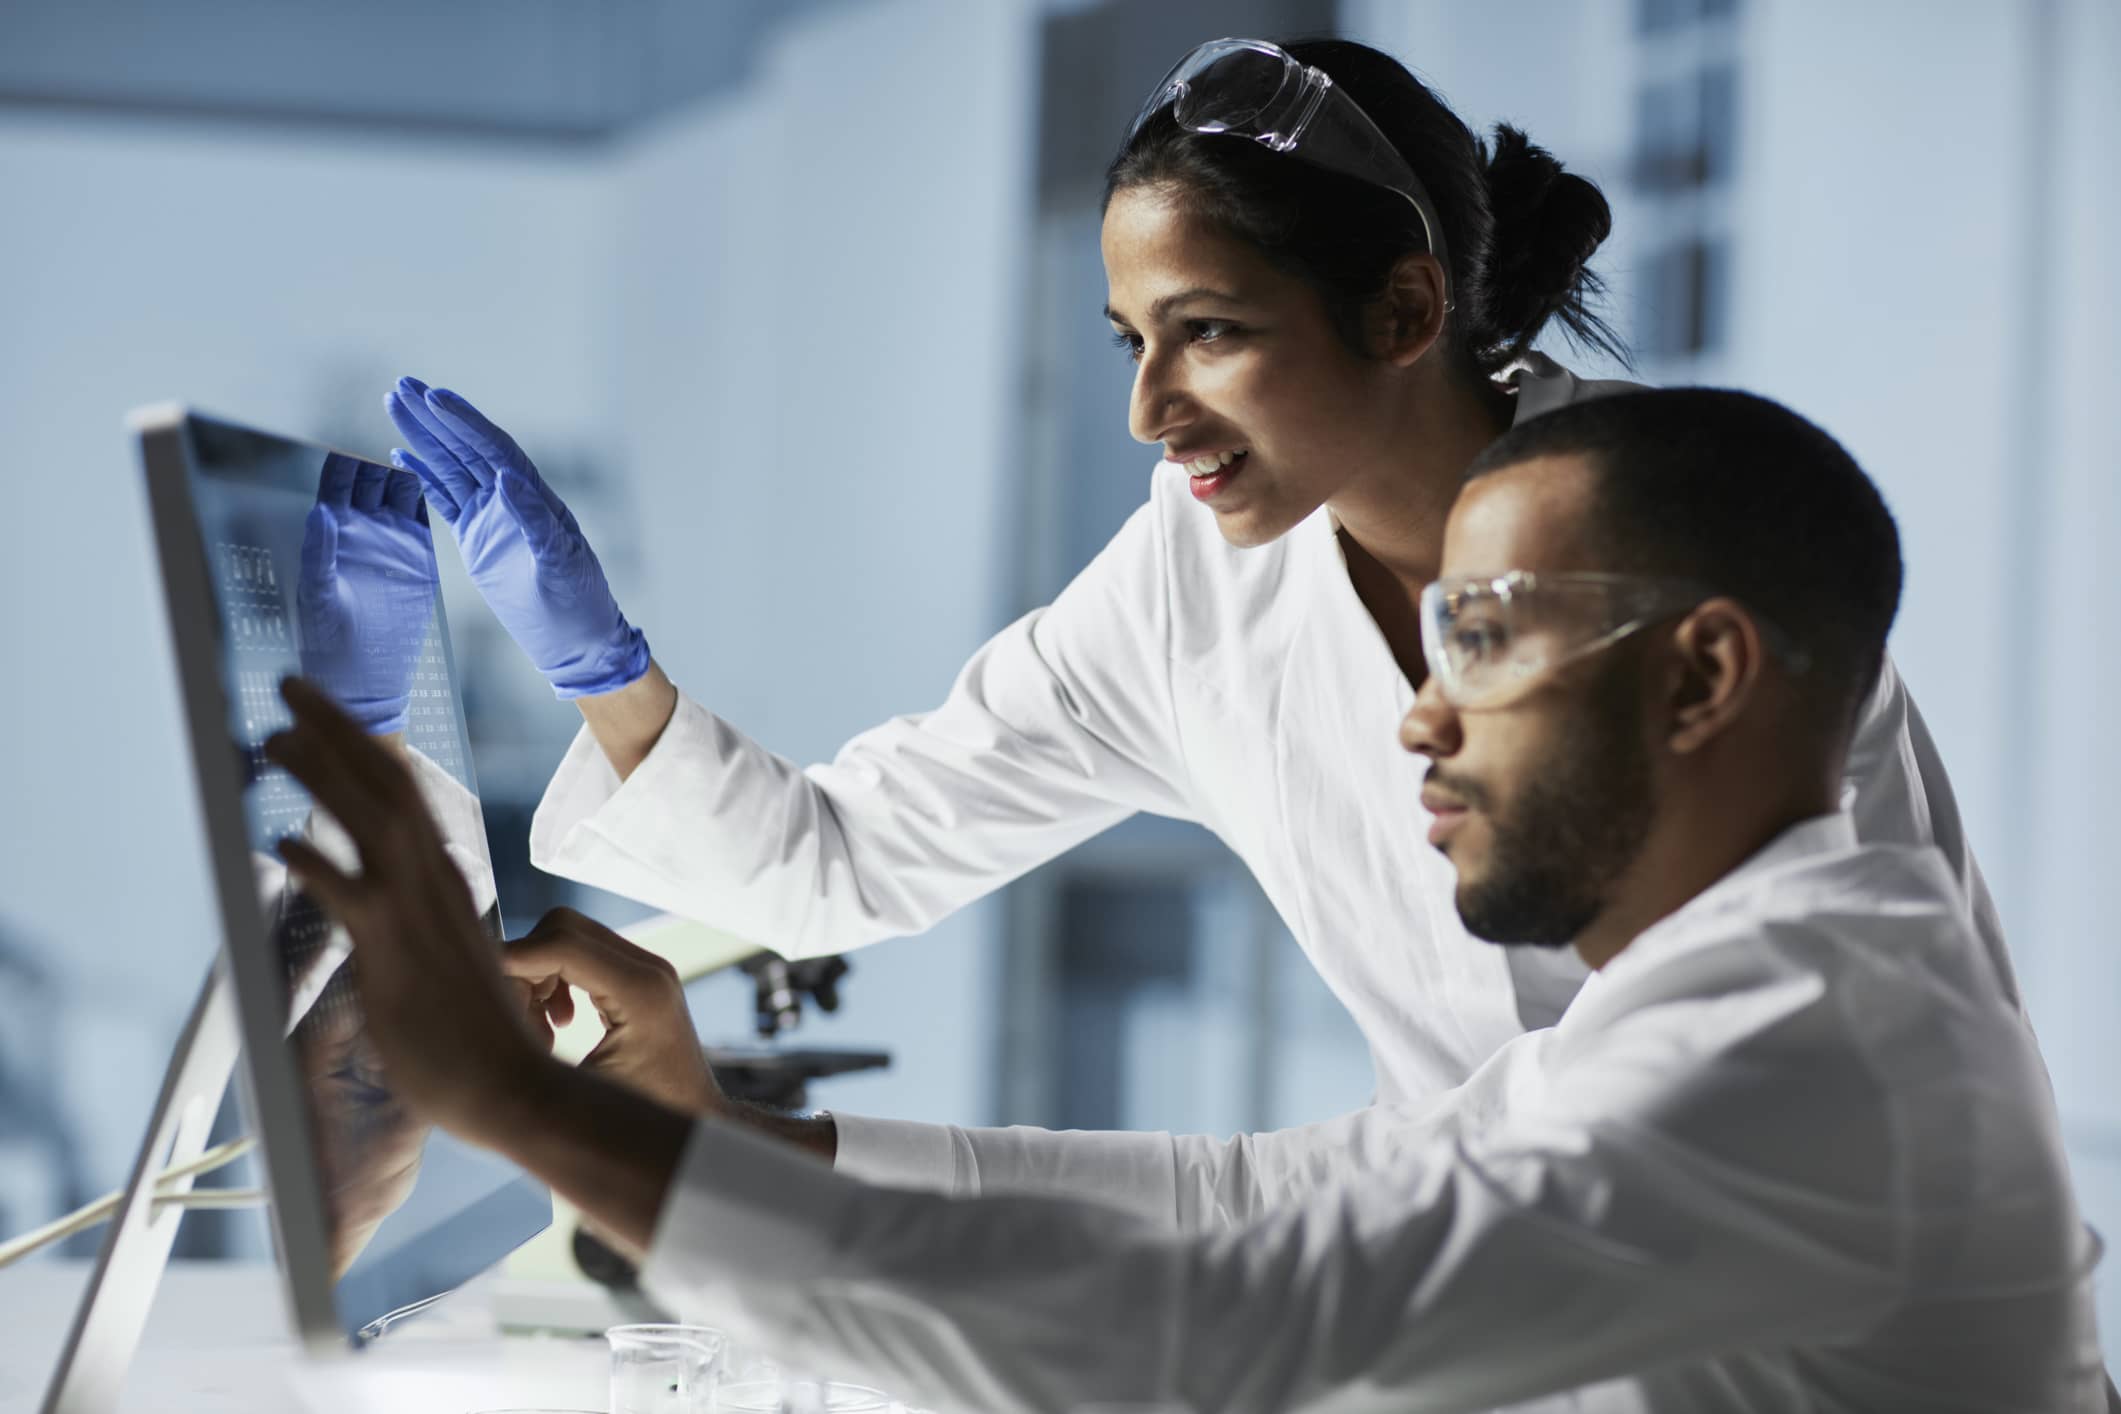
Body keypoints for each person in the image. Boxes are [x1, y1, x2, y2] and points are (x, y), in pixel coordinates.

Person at [266, 387, 2102, 1412]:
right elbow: (1273, 1200)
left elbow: (1241, 1327)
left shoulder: (1797, 1046)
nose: (1416, 710)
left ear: (1700, 680)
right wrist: (710, 1139)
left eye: (1482, 639)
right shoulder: (1737, 975)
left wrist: (521, 1108)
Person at [382, 37, 2014, 1183]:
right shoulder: (1193, 576)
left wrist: (751, 1170)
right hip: (1484, 1280)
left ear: (1404, 307)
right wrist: (604, 669)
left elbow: (1835, 1099)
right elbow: (840, 857)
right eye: (1128, 341)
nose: (1150, 410)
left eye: (1210, 330)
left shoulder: (1685, 565)